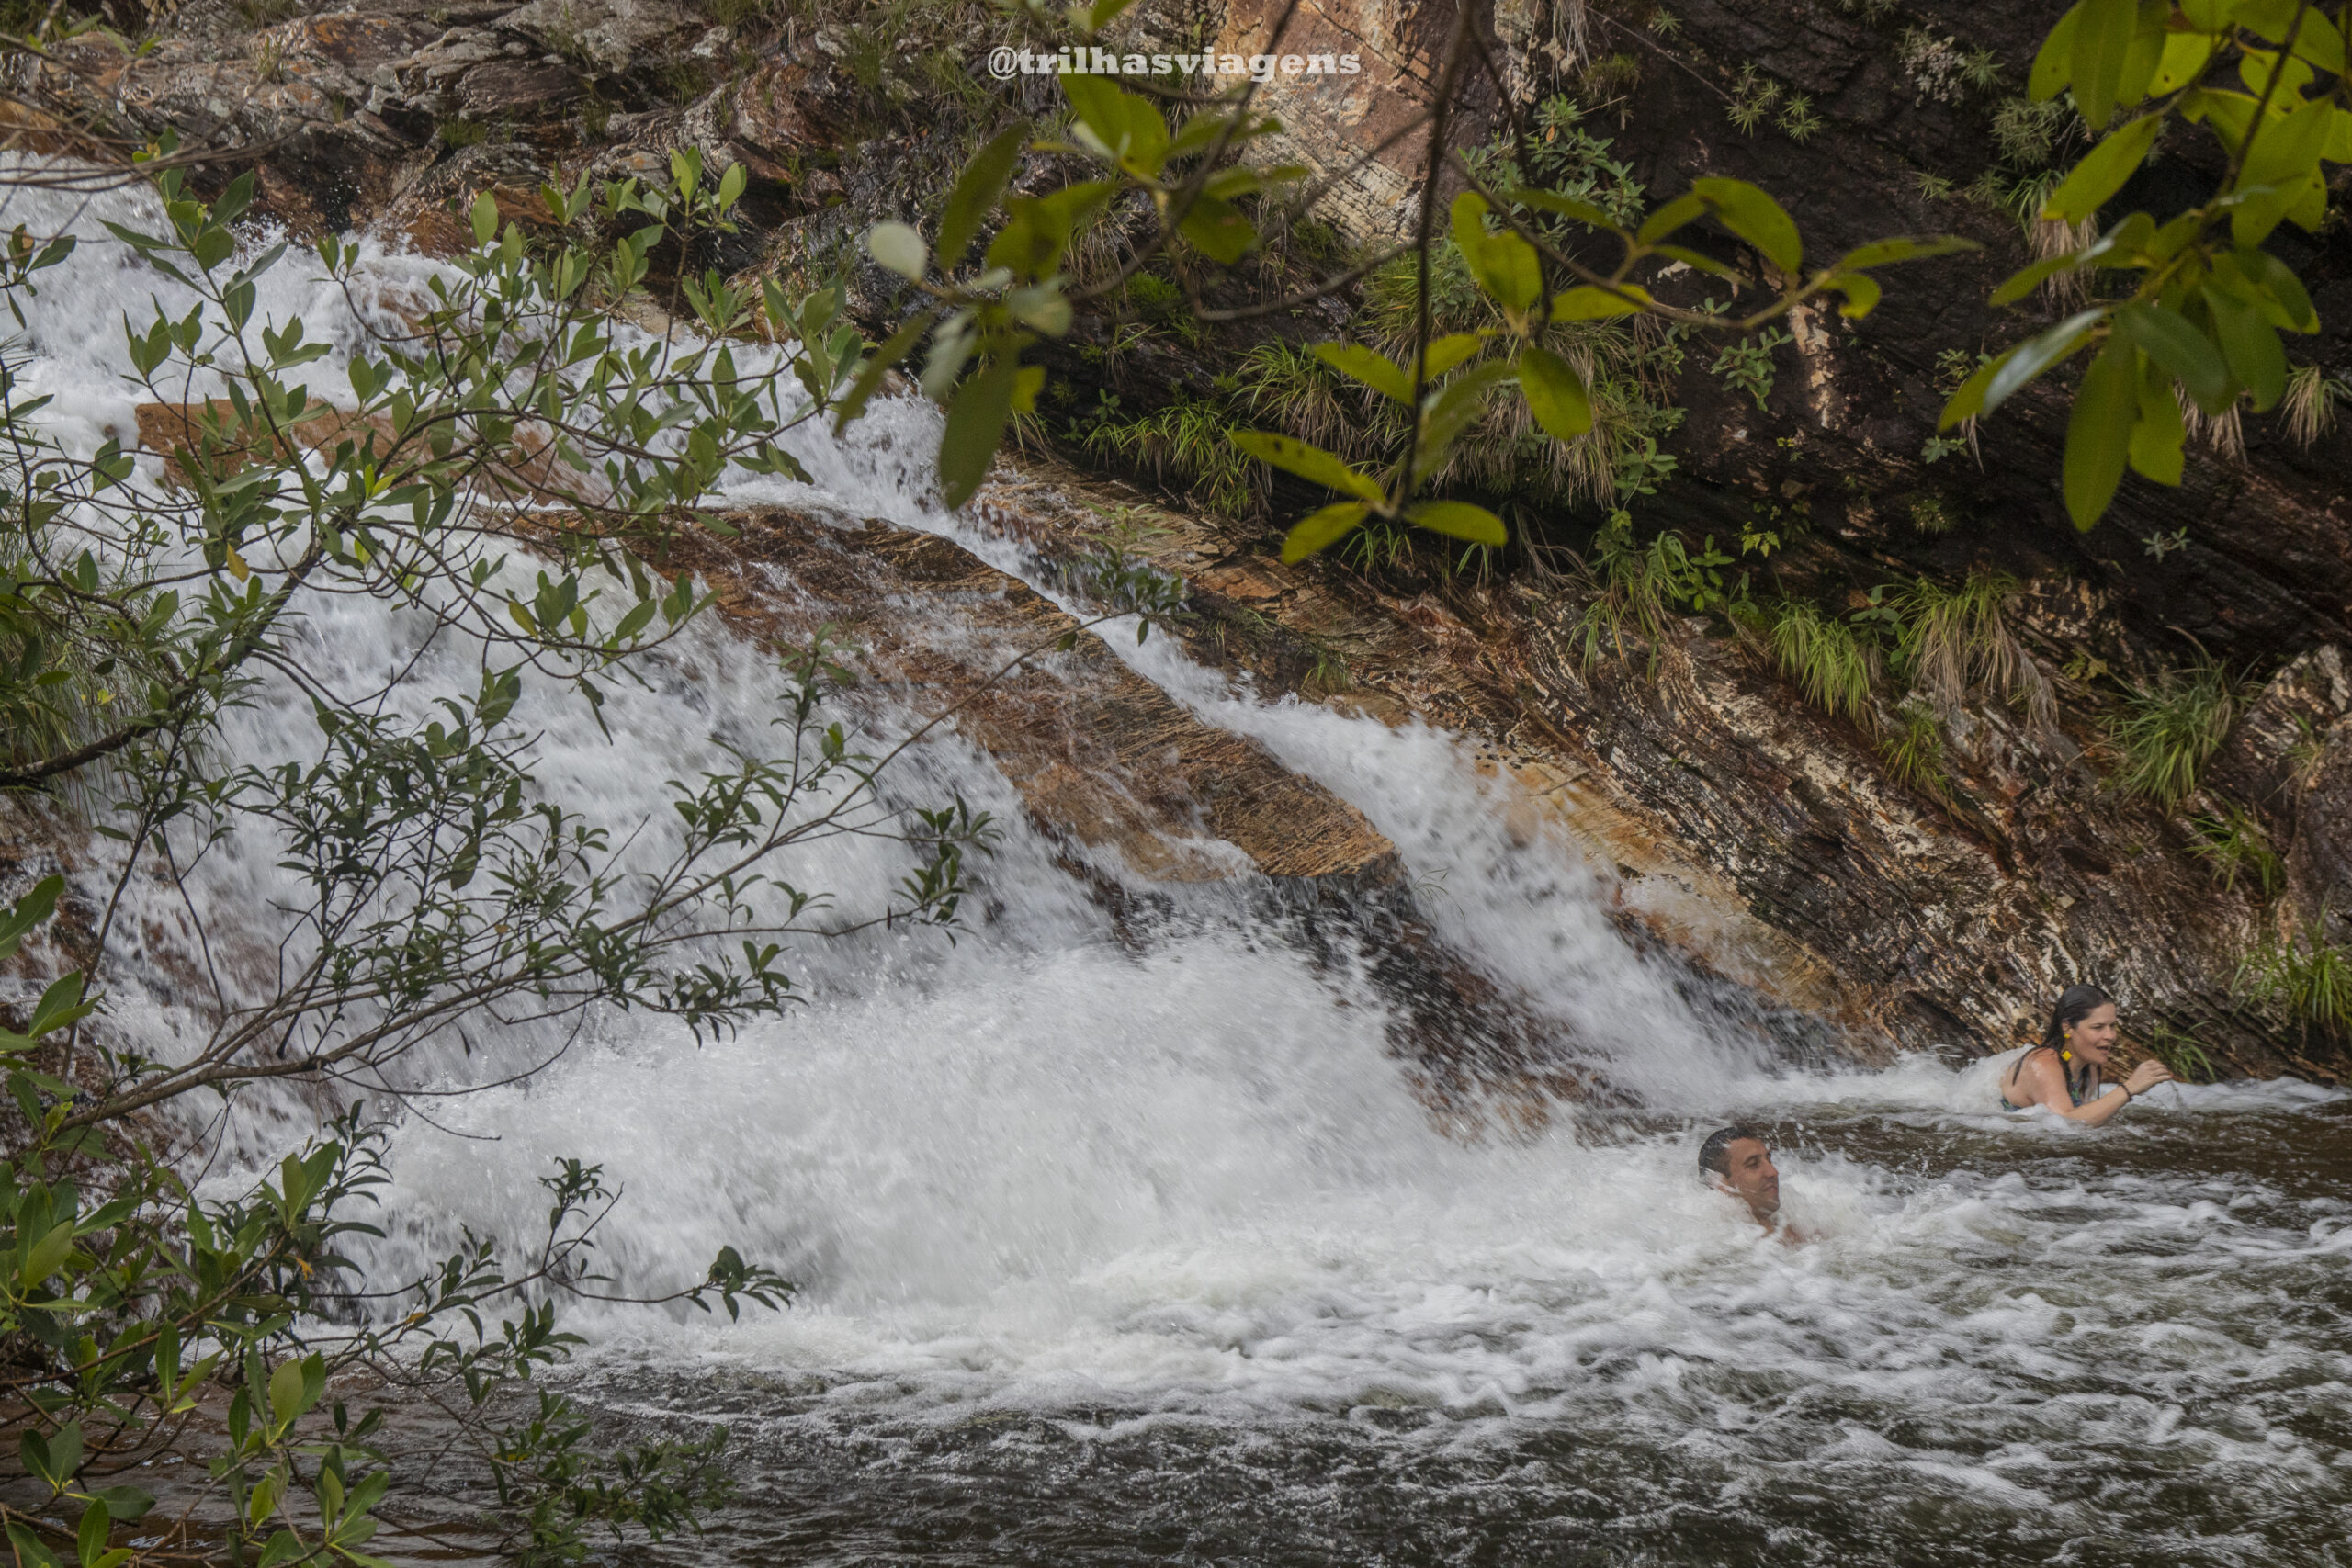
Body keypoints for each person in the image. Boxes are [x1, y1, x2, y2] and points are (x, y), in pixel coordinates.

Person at [1999, 983, 2174, 1122]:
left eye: (2112, 1026)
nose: (2111, 1036)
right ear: (2068, 1028)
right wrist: (2129, 1088)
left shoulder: (2087, 1066)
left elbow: (2087, 1120)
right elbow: (2064, 1124)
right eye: (2098, 1027)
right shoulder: (2042, 1064)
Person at [1698, 1123, 1802, 1240]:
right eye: (1753, 1165)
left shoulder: (1797, 1224)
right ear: (1720, 1184)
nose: (1773, 1172)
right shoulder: (1720, 1240)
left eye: (1769, 1160)